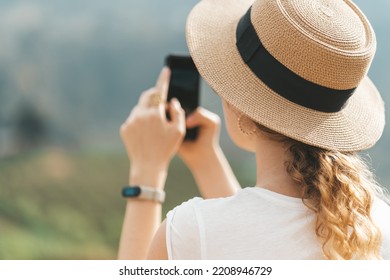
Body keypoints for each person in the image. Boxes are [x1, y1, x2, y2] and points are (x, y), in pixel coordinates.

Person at [117, 0, 390, 260]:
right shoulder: (378, 225)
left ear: (240, 105)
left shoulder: (191, 230)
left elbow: (238, 234)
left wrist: (147, 171)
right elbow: (258, 230)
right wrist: (205, 161)